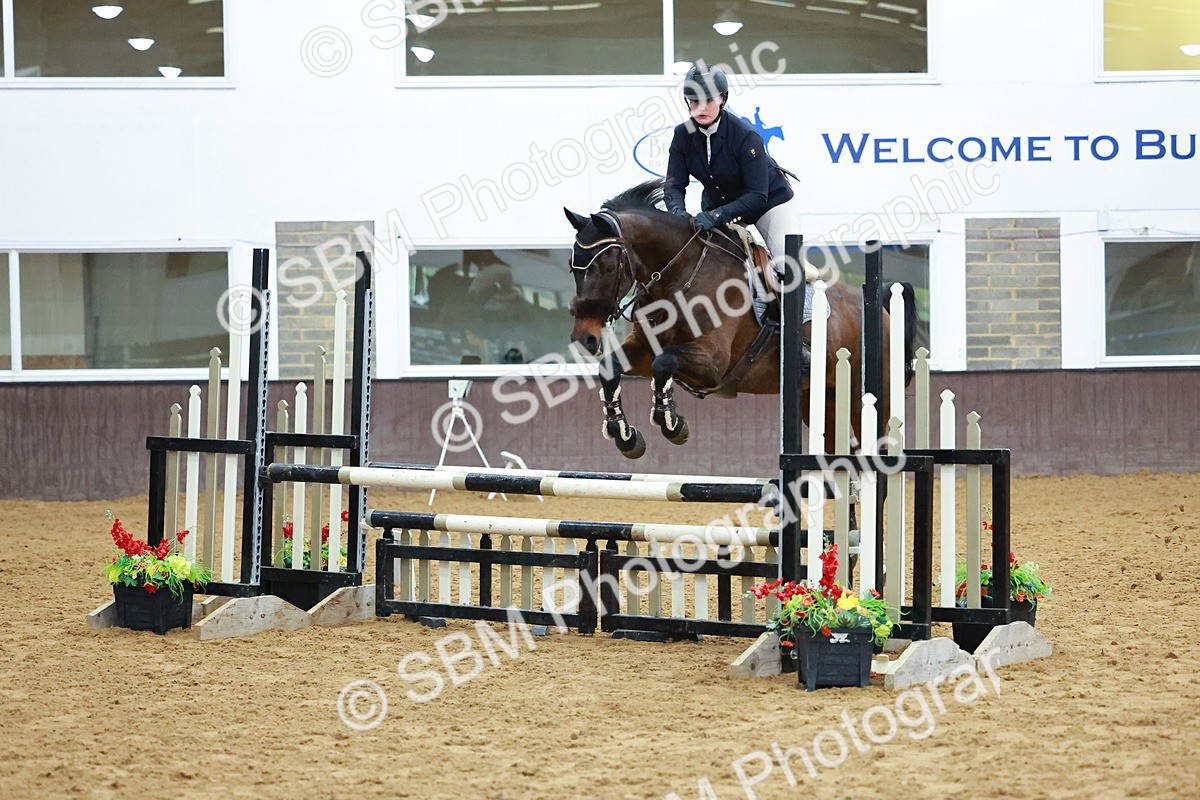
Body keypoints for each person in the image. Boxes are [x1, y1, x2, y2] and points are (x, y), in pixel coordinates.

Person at [663, 62, 799, 267]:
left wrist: (717, 215)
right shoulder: (683, 134)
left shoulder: (745, 135)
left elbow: (757, 195)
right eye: (694, 101)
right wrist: (677, 213)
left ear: (722, 99)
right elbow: (674, 184)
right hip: (721, 207)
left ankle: (805, 287)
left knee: (790, 266)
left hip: (771, 203)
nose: (701, 107)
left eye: (709, 100)